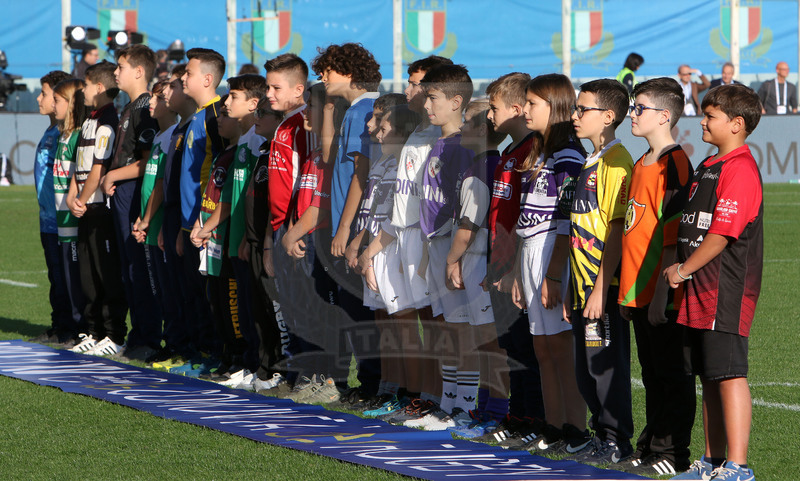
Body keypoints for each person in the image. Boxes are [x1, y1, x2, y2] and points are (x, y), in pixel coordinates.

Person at [665, 84, 763, 481]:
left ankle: (738, 467)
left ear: (736, 124)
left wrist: (683, 270)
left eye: (710, 116)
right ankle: (711, 461)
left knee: (729, 372)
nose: (702, 122)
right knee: (708, 374)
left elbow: (722, 234)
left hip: (725, 287)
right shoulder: (710, 164)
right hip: (699, 288)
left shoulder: (740, 168)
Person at [617, 77, 696, 477]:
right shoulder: (640, 161)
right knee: (651, 374)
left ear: (664, 116)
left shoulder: (675, 162)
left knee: (671, 373)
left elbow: (673, 232)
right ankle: (650, 445)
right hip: (638, 290)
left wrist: (663, 291)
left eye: (639, 108)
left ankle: (673, 452)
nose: (632, 114)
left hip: (661, 291)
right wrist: (628, 291)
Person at [374, 55, 453, 420]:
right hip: (405, 237)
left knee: (438, 322)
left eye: (416, 83)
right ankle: (422, 395)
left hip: (428, 238)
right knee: (419, 318)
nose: (409, 90)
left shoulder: (442, 136)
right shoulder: (418, 133)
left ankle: (441, 399)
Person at [512, 74, 587, 455]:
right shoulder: (539, 151)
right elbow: (527, 217)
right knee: (542, 347)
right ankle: (553, 425)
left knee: (560, 347)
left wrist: (555, 274)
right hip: (531, 253)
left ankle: (576, 428)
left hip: (552, 255)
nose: (525, 110)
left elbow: (566, 221)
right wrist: (517, 271)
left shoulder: (568, 154)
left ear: (554, 106)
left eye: (532, 103)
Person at [566, 78, 634, 464]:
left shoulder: (617, 162)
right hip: (581, 285)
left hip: (600, 286)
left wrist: (599, 289)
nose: (575, 115)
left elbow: (616, 230)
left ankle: (616, 440)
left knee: (605, 366)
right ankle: (601, 435)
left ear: (608, 117)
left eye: (583, 109)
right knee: (586, 369)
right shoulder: (592, 159)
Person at [478, 72, 545, 448]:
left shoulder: (533, 152)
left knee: (526, 348)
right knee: (511, 347)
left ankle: (533, 419)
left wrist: (514, 270)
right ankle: (516, 417)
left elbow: (529, 219)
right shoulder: (509, 152)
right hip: (501, 266)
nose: (489, 116)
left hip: (518, 270)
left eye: (494, 108)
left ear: (517, 109)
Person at [312, 43, 382, 401]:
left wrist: (344, 228)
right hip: (351, 222)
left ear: (350, 73)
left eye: (329, 70)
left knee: (360, 310)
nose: (322, 76)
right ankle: (370, 383)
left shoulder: (362, 111)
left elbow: (361, 173)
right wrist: (328, 108)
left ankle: (372, 385)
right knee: (355, 308)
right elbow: (329, 157)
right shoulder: (355, 110)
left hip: (354, 225)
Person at [101, 44, 160, 359]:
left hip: (135, 191)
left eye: (120, 67)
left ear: (139, 72)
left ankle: (148, 338)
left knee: (139, 267)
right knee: (127, 269)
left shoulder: (145, 107)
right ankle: (137, 335)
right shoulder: (130, 107)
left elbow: (147, 161)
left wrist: (113, 175)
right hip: (123, 192)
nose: (115, 72)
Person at [67, 62, 126, 356]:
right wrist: (73, 196)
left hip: (100, 210)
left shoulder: (108, 120)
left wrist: (82, 198)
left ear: (99, 88)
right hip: (85, 208)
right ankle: (94, 331)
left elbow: (98, 169)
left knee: (106, 274)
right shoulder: (89, 119)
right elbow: (79, 164)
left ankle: (113, 333)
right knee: (88, 274)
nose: (83, 90)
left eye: (87, 85)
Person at [178, 47, 226, 365]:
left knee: (209, 295)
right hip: (188, 222)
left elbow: (219, 173)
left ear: (207, 79)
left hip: (203, 223)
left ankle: (213, 355)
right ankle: (198, 353)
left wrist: (204, 220)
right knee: (192, 294)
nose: (184, 77)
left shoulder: (215, 116)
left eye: (189, 72)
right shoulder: (196, 117)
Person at [219, 74, 266, 380]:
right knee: (246, 305)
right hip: (237, 236)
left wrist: (249, 236)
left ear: (253, 104)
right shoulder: (245, 140)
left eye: (233, 96)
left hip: (249, 238)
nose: (226, 102)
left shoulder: (259, 141)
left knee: (258, 306)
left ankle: (260, 367)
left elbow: (255, 196)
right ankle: (249, 364)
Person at [149, 63, 197, 366]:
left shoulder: (200, 123)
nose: (167, 92)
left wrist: (182, 225)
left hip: (187, 218)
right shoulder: (179, 129)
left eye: (174, 85)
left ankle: (194, 348)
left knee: (189, 289)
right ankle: (178, 344)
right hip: (172, 217)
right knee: (173, 287)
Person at [132, 79, 180, 364]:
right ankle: (169, 342)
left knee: (169, 291)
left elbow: (161, 185)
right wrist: (143, 217)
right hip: (151, 224)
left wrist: (148, 219)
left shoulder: (172, 135)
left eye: (159, 98)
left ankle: (174, 344)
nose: (151, 102)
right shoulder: (160, 136)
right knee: (159, 289)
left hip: (160, 225)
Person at [31, 70, 79, 346]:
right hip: (47, 218)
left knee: (67, 276)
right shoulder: (51, 131)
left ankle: (71, 328)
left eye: (45, 93)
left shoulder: (67, 133)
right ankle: (59, 324)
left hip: (63, 218)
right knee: (55, 276)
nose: (39, 99)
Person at [49, 78, 88, 352]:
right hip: (62, 219)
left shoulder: (77, 136)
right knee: (66, 275)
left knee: (76, 277)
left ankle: (82, 328)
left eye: (58, 100)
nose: (53, 106)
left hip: (74, 220)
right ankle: (74, 328)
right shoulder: (63, 135)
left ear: (72, 104)